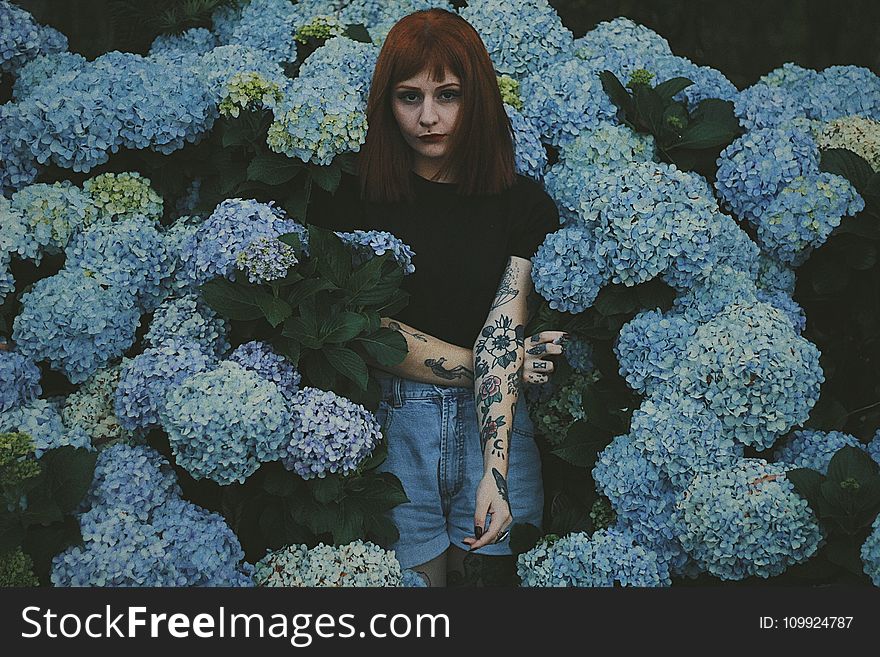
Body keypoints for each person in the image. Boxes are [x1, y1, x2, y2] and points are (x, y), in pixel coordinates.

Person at [307, 8, 566, 587]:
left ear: (478, 100)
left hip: (497, 432)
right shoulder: (352, 201)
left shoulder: (521, 205)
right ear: (385, 103)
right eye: (409, 97)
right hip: (395, 430)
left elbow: (505, 324)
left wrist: (494, 474)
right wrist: (496, 372)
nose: (429, 117)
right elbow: (364, 332)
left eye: (448, 95)